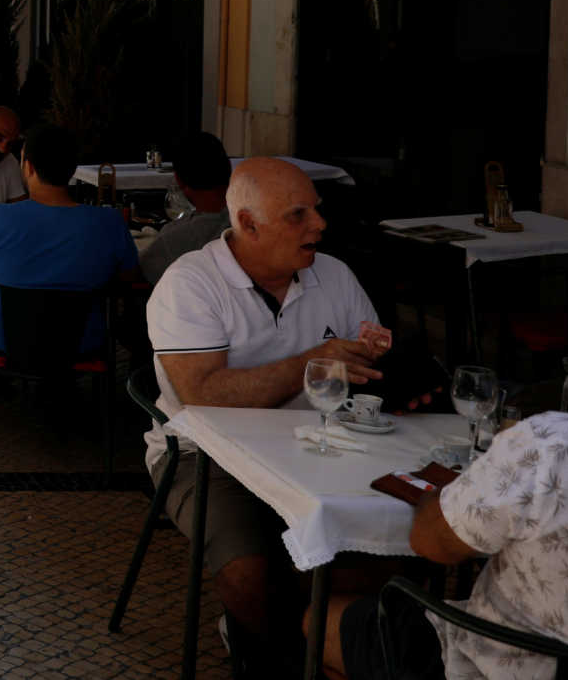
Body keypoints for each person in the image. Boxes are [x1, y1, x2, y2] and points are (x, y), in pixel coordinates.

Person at [148, 157, 391, 674]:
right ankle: (282, 655)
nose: (319, 225)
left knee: (374, 555)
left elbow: (372, 358)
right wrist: (315, 362)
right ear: (248, 224)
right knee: (249, 574)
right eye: (297, 215)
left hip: (320, 444)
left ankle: (315, 647)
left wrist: (374, 353)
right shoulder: (189, 283)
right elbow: (203, 396)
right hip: (210, 455)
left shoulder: (334, 275)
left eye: (317, 211)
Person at [315, 410, 568, 680]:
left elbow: (430, 543)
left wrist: (440, 498)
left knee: (321, 622)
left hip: (490, 665)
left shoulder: (556, 443)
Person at [0, 125, 139, 353]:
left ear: (28, 167)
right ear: (72, 169)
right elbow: (129, 277)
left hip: (0, 339)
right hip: (81, 341)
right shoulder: (109, 221)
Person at [141, 131, 233, 284]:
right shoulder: (259, 221)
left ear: (178, 180)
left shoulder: (173, 240)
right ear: (229, 167)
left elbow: (140, 274)